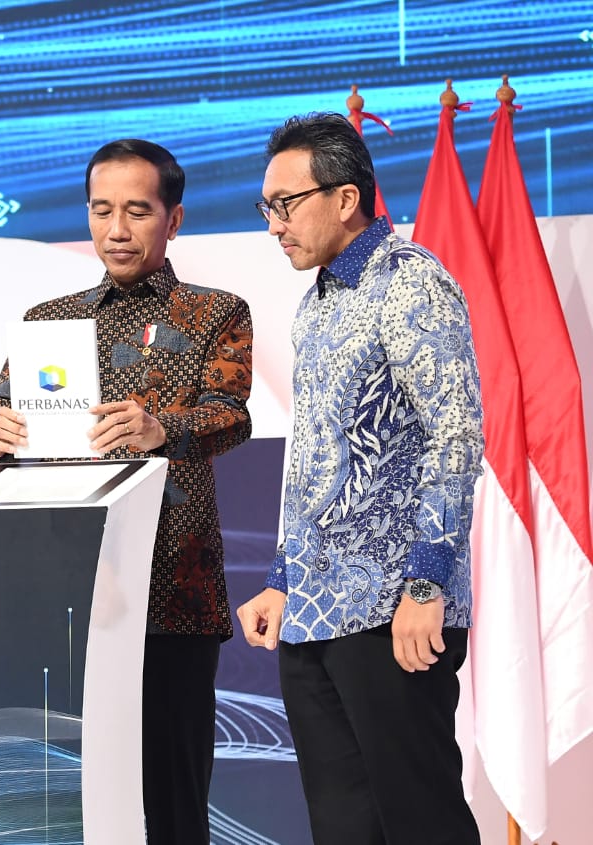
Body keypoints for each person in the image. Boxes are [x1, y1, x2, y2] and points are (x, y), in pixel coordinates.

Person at [0, 138, 254, 845]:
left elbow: (231, 415)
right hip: (63, 593)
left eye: (136, 211)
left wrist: (161, 426)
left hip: (172, 589)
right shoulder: (47, 320)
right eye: (102, 211)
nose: (117, 229)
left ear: (175, 218)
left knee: (171, 796)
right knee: (63, 802)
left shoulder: (216, 311)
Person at [236, 112, 484, 844]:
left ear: (346, 199)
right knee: (344, 828)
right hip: (315, 615)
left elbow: (456, 435)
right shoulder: (317, 304)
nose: (275, 224)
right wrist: (284, 575)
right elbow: (318, 459)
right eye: (266, 208)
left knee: (421, 821)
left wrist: (426, 585)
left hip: (390, 610)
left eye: (287, 203)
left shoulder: (410, 281)